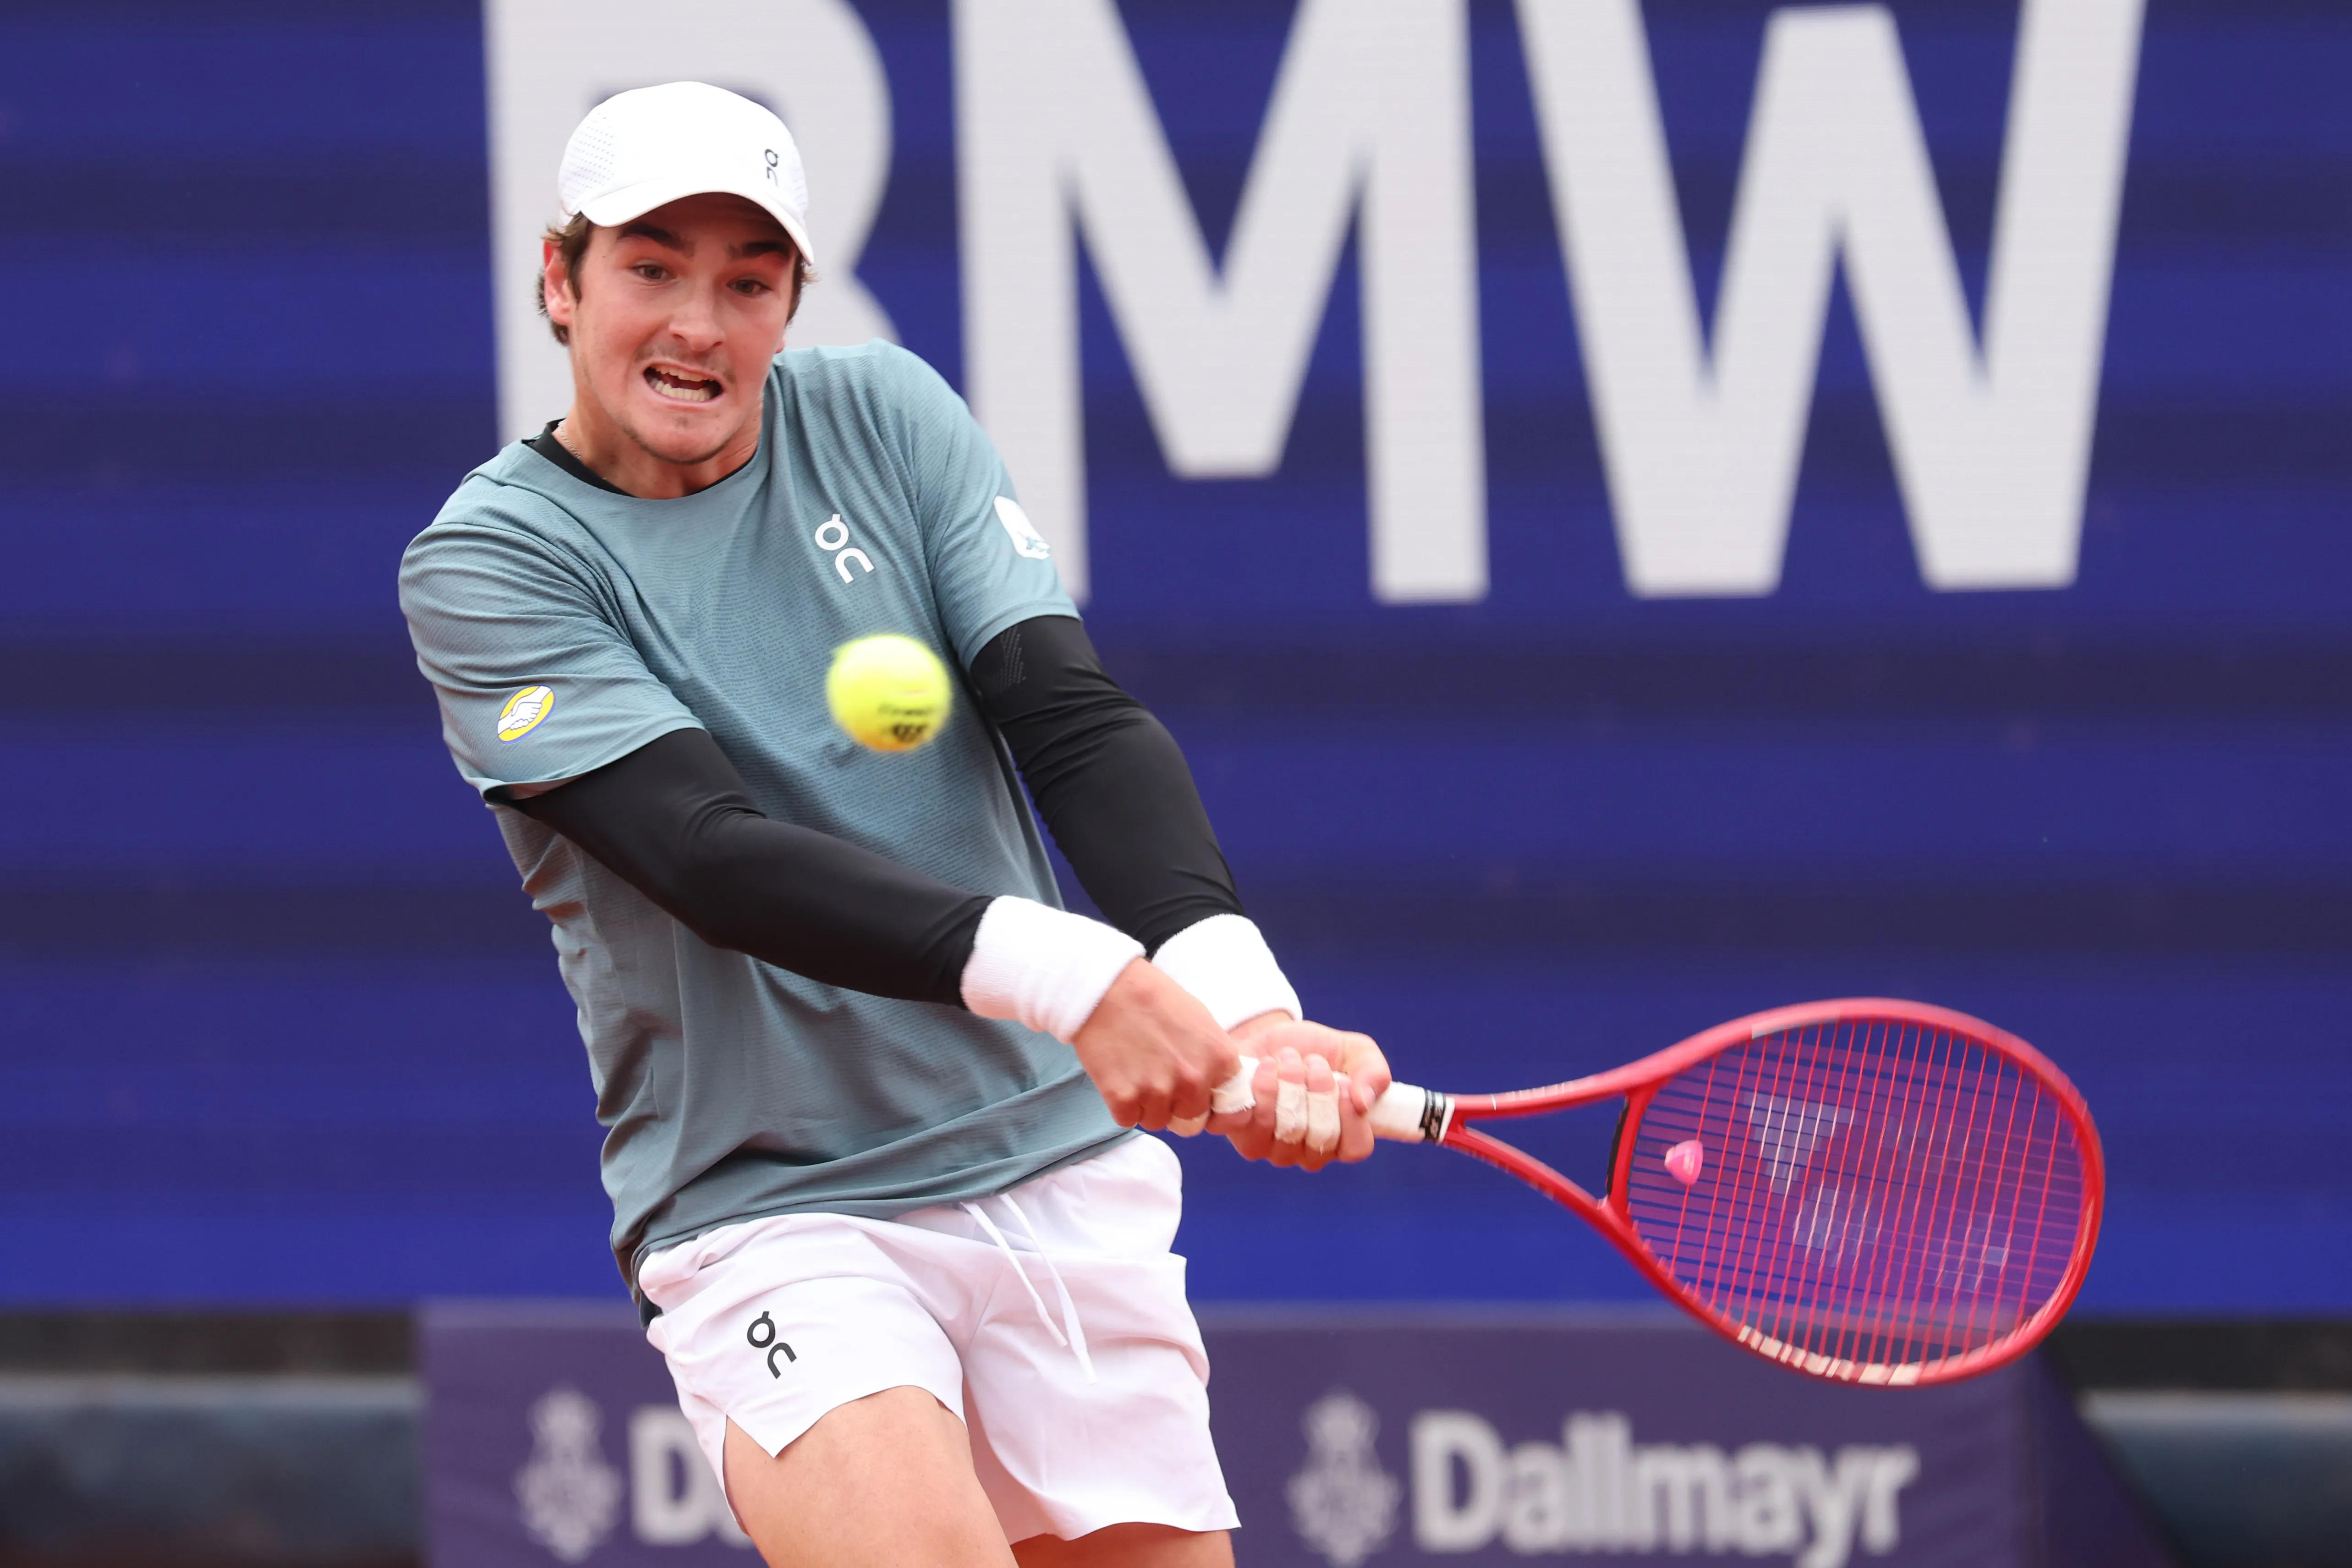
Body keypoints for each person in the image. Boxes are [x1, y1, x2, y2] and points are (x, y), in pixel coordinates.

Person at [398, 82, 1390, 1568]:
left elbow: (1071, 718)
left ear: (791, 300)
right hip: (780, 1208)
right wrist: (1089, 980)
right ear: (561, 280)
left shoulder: (888, 417)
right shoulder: (491, 565)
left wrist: (1251, 1007)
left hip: (1056, 1171)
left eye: (748, 282)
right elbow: (705, 852)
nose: (698, 324)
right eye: (651, 267)